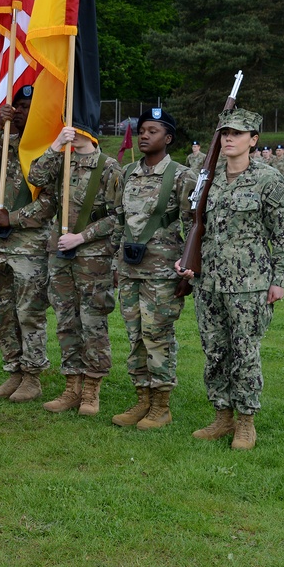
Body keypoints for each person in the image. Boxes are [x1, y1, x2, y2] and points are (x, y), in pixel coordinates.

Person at [177, 108, 284, 450]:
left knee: (244, 352)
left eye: (237, 133)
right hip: (208, 283)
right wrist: (186, 260)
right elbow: (191, 224)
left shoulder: (268, 180)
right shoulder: (207, 178)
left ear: (253, 140)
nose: (229, 138)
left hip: (250, 285)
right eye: (225, 133)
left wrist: (280, 278)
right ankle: (222, 416)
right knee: (215, 351)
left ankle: (246, 422)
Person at [29, 123, 121, 416]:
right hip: (60, 254)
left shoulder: (109, 168)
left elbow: (120, 216)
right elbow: (35, 177)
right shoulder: (61, 160)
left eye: (79, 126)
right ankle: (72, 386)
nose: (73, 130)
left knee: (92, 320)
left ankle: (92, 389)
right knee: (66, 319)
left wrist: (82, 237)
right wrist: (55, 145)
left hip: (93, 255)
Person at [112, 108, 195, 430]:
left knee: (157, 335)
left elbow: (193, 226)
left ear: (168, 138)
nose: (145, 135)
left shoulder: (181, 175)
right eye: (142, 130)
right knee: (134, 338)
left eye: (153, 131)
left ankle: (161, 406)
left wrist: (189, 272)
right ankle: (142, 400)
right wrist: (115, 264)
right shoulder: (128, 171)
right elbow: (119, 220)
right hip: (130, 269)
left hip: (162, 272)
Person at [0, 87, 56, 403]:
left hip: (31, 242)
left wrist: (17, 218)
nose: (21, 111)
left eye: (27, 107)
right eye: (18, 106)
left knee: (29, 310)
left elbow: (52, 199)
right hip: (1, 242)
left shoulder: (47, 148)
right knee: (3, 310)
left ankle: (32, 376)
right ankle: (14, 370)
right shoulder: (7, 139)